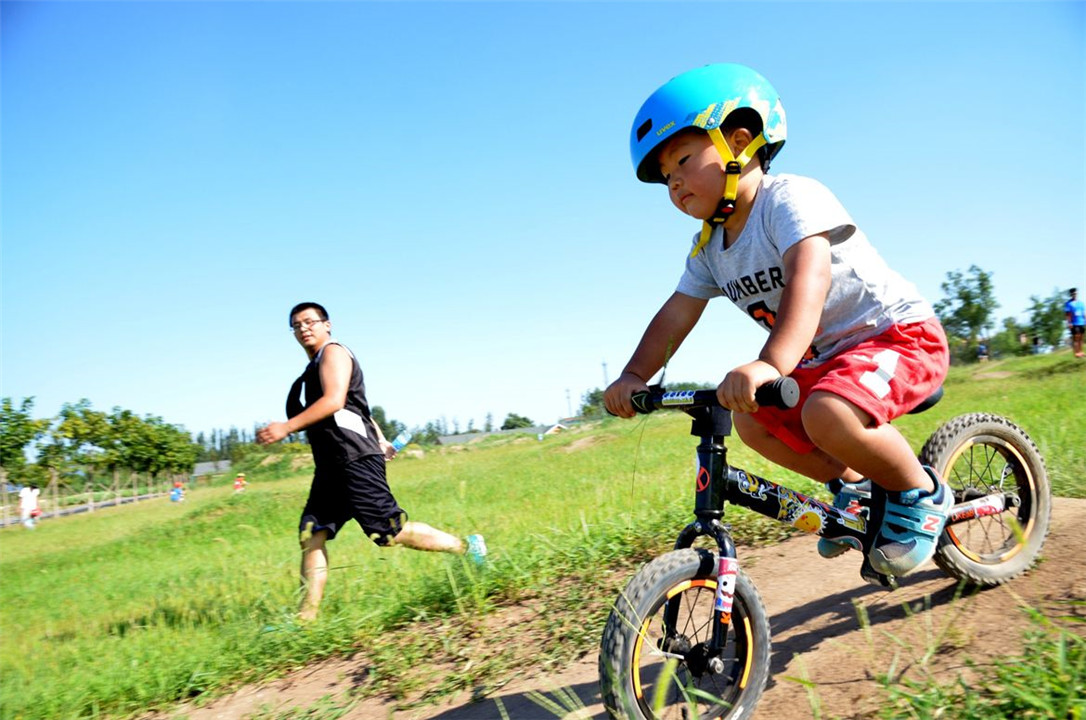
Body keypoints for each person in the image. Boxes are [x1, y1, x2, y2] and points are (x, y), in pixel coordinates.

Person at [604, 64, 953, 578]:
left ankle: (920, 494)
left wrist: (770, 363)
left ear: (740, 142)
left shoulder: (788, 198)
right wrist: (636, 375)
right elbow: (675, 314)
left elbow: (808, 279)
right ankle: (855, 488)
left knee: (825, 413)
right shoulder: (708, 248)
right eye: (665, 176)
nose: (675, 182)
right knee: (752, 420)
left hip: (896, 336)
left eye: (682, 159)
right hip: (827, 360)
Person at [257, 302, 486, 621]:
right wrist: (379, 439)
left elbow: (335, 401)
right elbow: (359, 410)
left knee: (388, 532)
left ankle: (466, 546)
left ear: (328, 324)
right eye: (296, 325)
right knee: (312, 533)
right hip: (332, 465)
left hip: (353, 459)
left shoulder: (333, 353)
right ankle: (305, 619)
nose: (304, 328)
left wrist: (286, 427)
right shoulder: (310, 371)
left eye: (310, 321)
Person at [1065, 288, 1085, 358]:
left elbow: (1083, 313)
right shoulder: (1068, 303)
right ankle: (1076, 353)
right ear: (1071, 294)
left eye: (1075, 293)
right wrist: (1069, 323)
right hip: (1074, 323)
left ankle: (1081, 352)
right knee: (1076, 338)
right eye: (1073, 294)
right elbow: (1067, 314)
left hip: (1081, 322)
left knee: (1081, 338)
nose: (1074, 295)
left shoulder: (1081, 303)